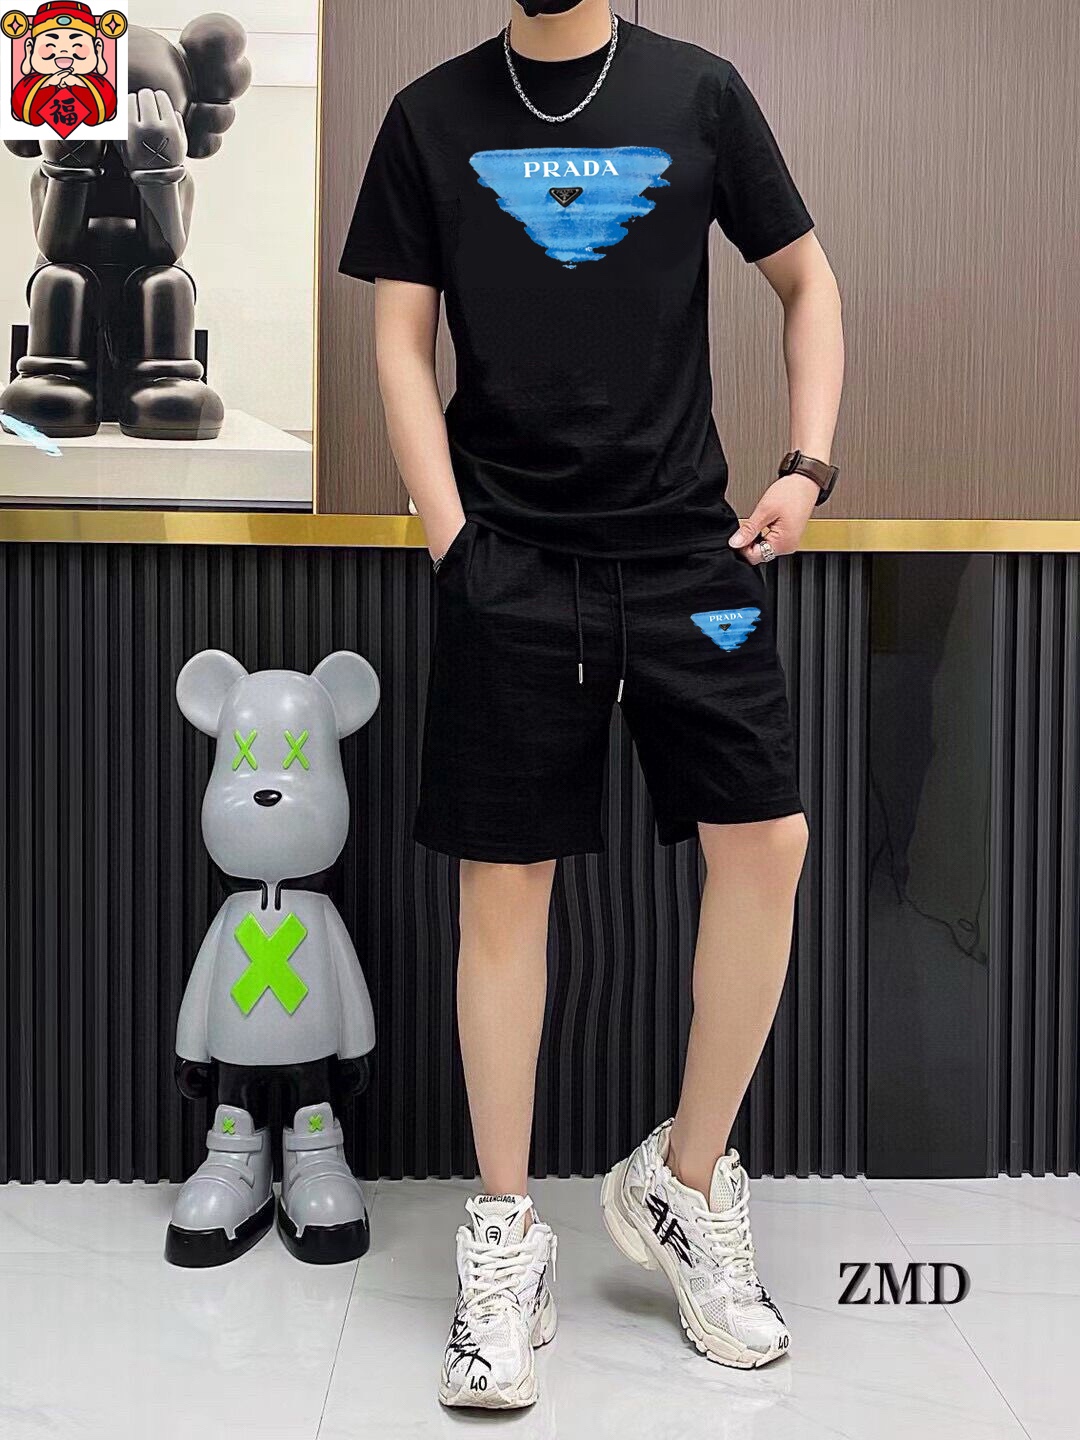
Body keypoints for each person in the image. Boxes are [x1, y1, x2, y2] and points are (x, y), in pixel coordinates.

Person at [340, 0, 844, 1411]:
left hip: (692, 554)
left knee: (771, 841)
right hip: (510, 561)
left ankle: (686, 1180)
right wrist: (452, 541)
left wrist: (807, 464)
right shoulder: (430, 116)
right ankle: (506, 1234)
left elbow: (808, 282)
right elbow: (400, 342)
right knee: (505, 884)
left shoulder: (700, 92)